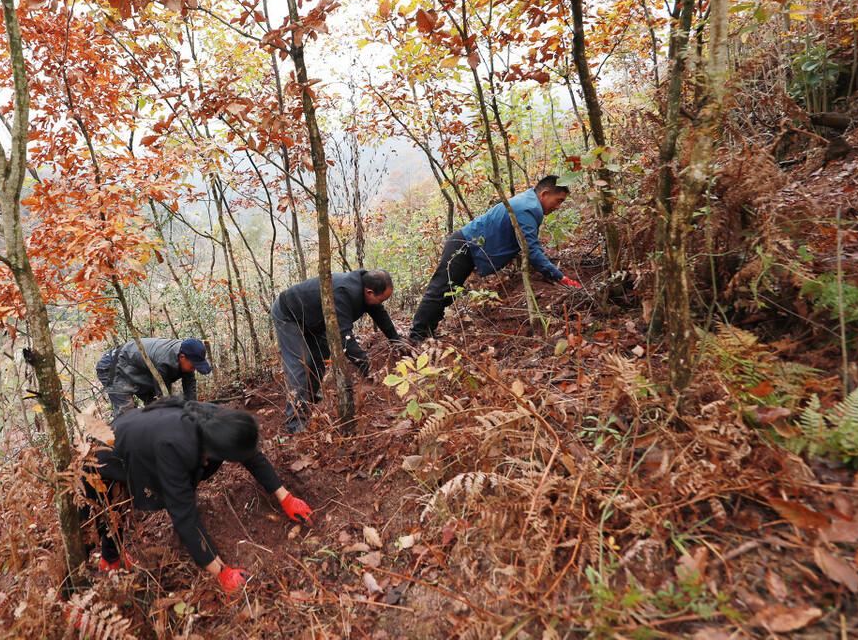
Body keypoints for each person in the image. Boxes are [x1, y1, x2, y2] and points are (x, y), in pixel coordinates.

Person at [78, 397, 314, 592]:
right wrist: (221, 572)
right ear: (217, 454)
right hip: (103, 459)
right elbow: (183, 515)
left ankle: (112, 556)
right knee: (107, 512)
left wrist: (285, 497)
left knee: (116, 510)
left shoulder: (218, 420)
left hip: (134, 435)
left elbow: (250, 454)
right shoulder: (174, 449)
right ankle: (100, 569)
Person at [408, 175, 581, 343]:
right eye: (558, 200)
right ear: (544, 194)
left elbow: (525, 244)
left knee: (448, 293)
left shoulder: (528, 202)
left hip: (467, 247)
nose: (558, 206)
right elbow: (531, 250)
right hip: (464, 246)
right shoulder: (528, 208)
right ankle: (416, 336)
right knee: (440, 290)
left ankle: (427, 333)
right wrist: (560, 277)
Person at [271, 269, 402, 434]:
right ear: (369, 292)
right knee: (299, 364)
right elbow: (344, 336)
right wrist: (364, 364)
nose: (380, 303)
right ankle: (295, 424)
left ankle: (308, 397)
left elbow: (380, 313)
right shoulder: (344, 292)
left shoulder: (364, 289)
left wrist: (396, 340)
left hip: (313, 319)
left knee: (319, 356)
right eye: (381, 299)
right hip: (289, 314)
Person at [96, 337, 211, 418]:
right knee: (127, 413)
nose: (194, 369)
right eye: (193, 366)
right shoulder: (163, 362)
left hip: (138, 370)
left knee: (154, 407)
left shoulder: (187, 354)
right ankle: (119, 446)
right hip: (112, 366)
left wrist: (193, 410)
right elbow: (162, 397)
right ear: (182, 357)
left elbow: (189, 386)